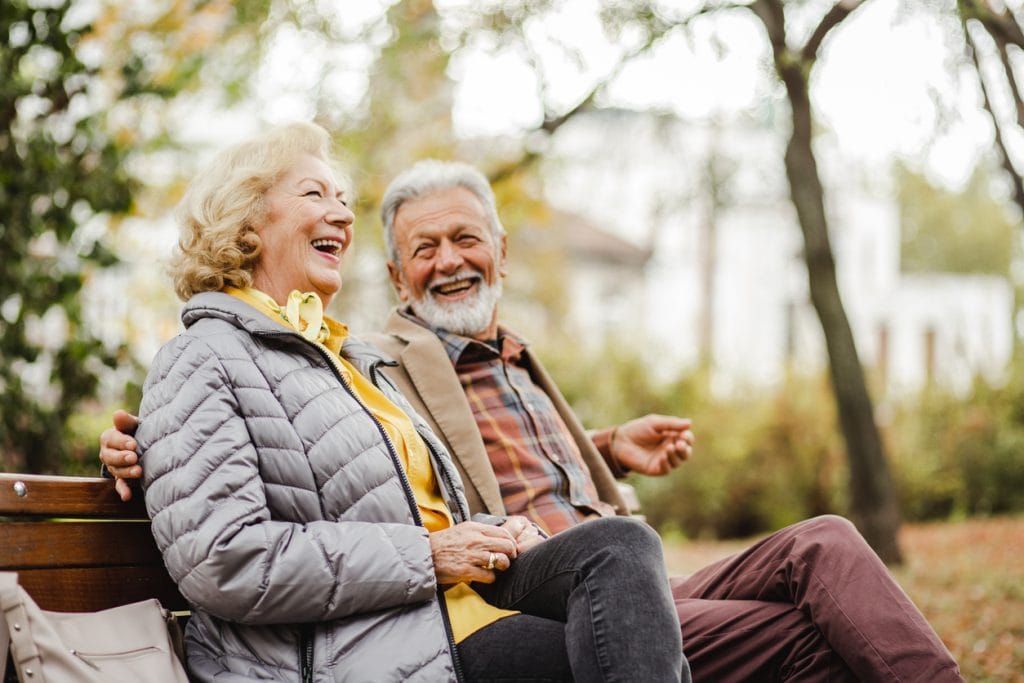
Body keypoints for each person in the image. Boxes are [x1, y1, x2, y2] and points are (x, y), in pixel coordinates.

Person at [104, 157, 964, 681]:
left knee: (821, 542)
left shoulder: (466, 360)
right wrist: (131, 442)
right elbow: (236, 480)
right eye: (423, 249)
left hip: (599, 576)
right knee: (795, 637)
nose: (448, 262)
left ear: (503, 251)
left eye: (466, 240)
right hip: (506, 595)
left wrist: (603, 450)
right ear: (399, 280)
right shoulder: (378, 354)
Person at [130, 122, 685, 682]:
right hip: (358, 647)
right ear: (246, 222)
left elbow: (406, 511)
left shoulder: (346, 358)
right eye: (314, 194)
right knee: (631, 650)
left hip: (447, 609)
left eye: (343, 199)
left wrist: (496, 529)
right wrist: (431, 555)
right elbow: (225, 559)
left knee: (621, 546)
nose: (345, 216)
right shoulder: (202, 358)